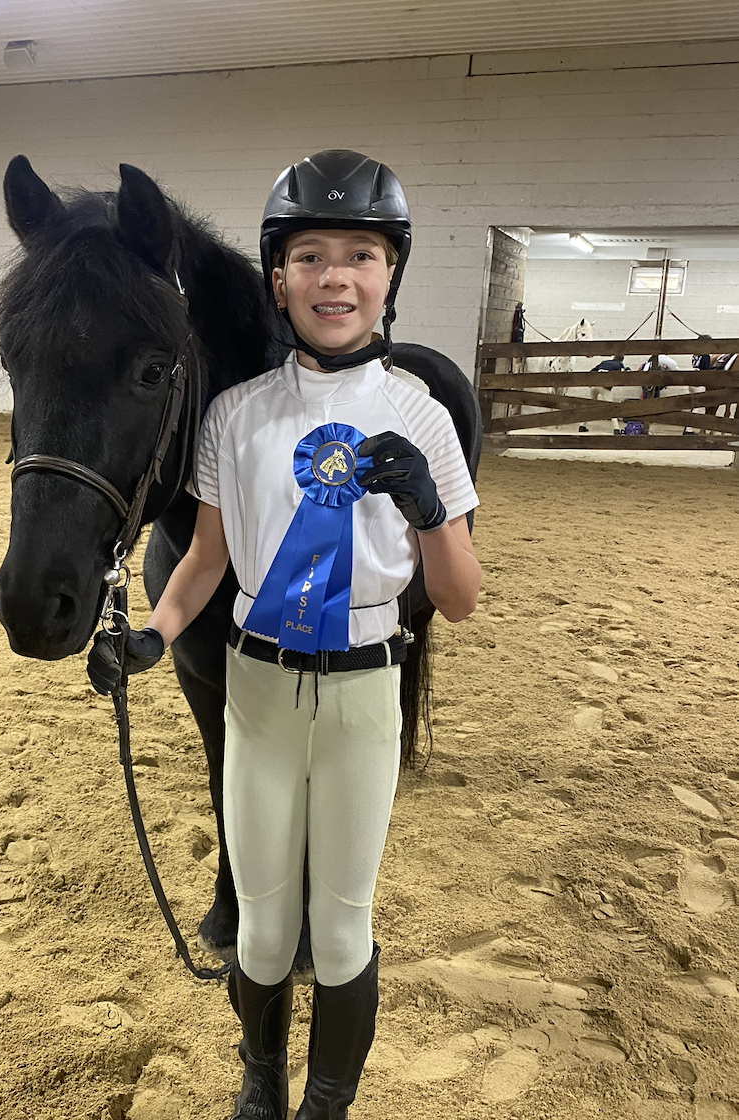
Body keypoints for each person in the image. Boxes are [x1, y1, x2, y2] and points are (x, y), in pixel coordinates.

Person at [88, 150, 481, 1120]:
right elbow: (205, 560)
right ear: (277, 275)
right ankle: (259, 1083)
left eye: (359, 254)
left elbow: (460, 598)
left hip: (360, 695)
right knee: (261, 933)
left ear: (389, 273)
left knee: (340, 933)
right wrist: (152, 632)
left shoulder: (421, 417)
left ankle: (327, 1105)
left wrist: (430, 508)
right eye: (309, 255)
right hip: (256, 695)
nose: (334, 276)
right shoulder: (234, 416)